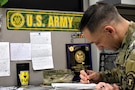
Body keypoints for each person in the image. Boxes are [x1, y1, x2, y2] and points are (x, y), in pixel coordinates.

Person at [79, 3, 135, 90]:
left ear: (109, 30)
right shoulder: (127, 44)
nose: (99, 48)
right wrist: (99, 76)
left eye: (98, 42)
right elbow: (124, 73)